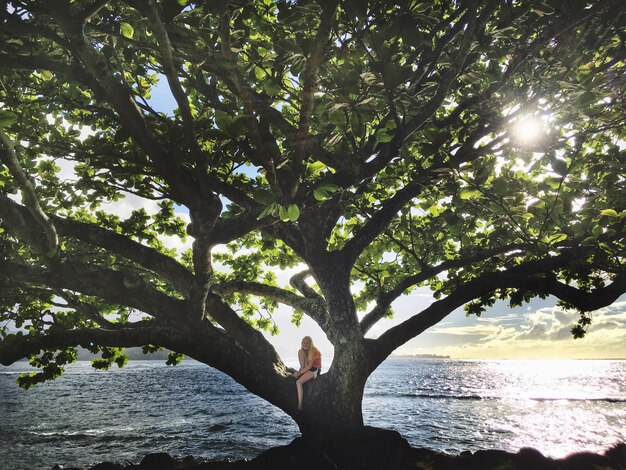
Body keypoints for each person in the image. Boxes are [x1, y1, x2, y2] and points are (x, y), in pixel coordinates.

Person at [294, 336, 322, 412]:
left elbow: (310, 366)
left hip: (314, 369)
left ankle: (300, 405)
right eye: (303, 343)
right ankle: (300, 373)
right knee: (300, 351)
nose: (305, 344)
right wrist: (300, 371)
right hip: (308, 368)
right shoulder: (304, 351)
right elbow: (304, 365)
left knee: (298, 382)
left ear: (310, 344)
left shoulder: (314, 351)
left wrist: (300, 373)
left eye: (307, 343)